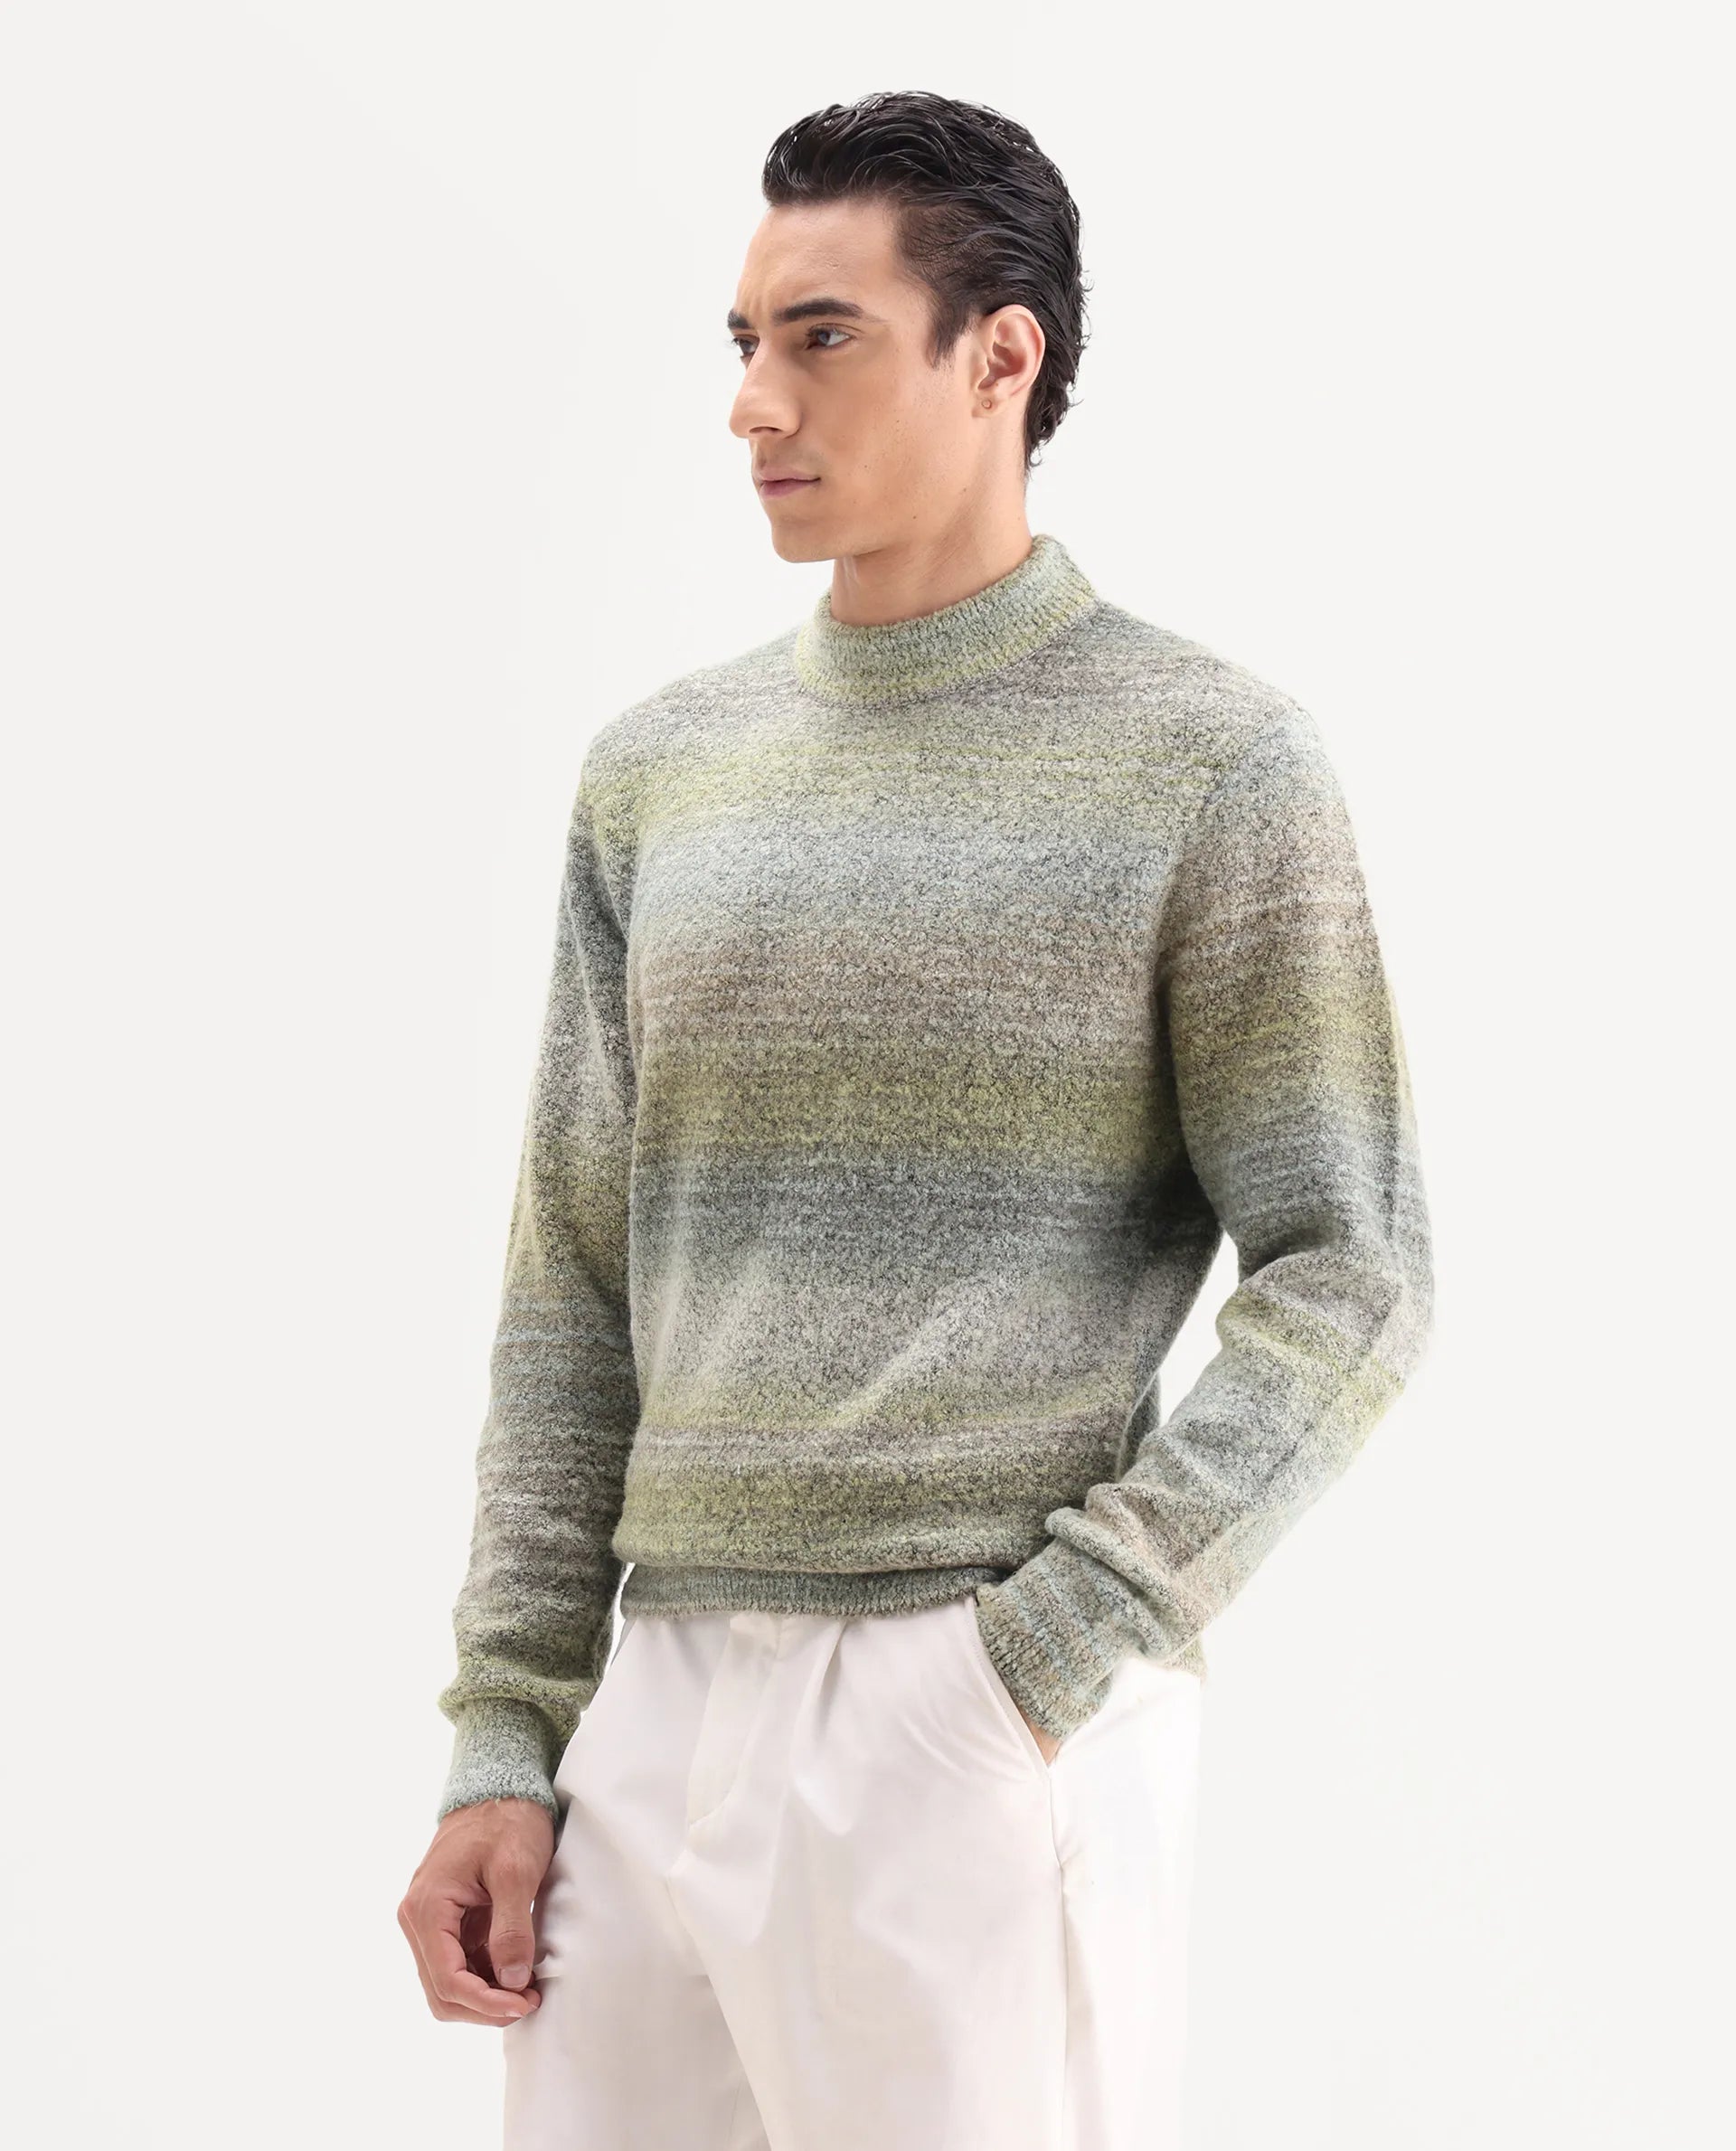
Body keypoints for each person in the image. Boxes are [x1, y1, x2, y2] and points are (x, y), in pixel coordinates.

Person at [397, 88, 1433, 2151]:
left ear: (999, 355)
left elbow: (1354, 1267)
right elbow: (573, 1288)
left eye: (823, 336)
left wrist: (1044, 1653)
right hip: (649, 1714)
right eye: (744, 341)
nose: (754, 400)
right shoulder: (659, 775)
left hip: (967, 1709)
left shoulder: (1210, 762)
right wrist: (507, 1736)